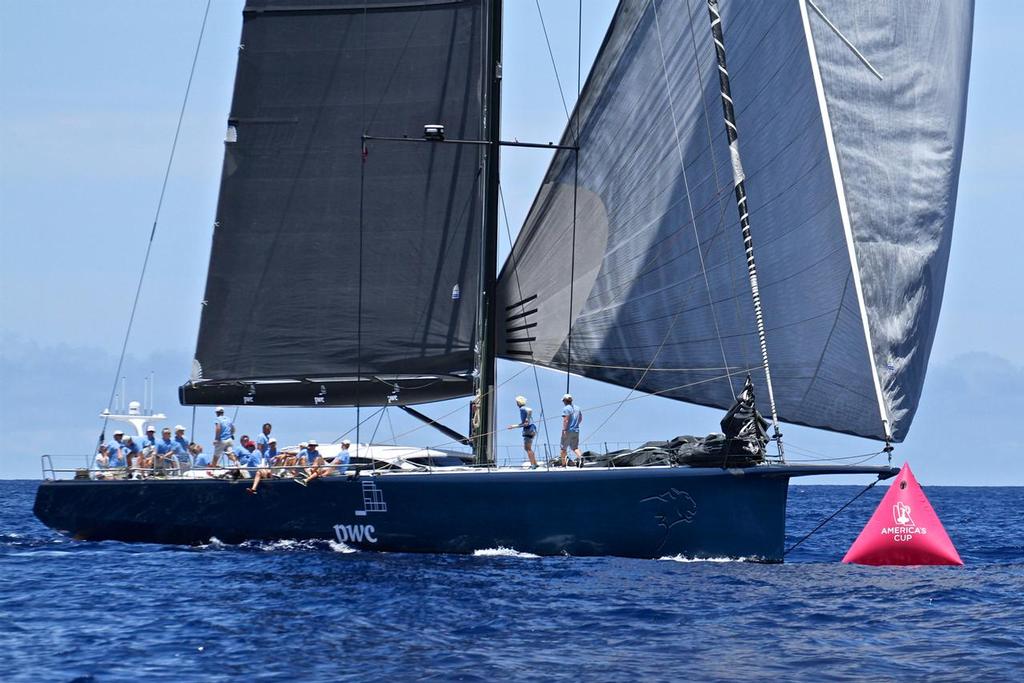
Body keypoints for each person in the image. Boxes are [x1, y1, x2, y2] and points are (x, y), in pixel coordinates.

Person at [509, 395, 538, 469]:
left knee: (527, 448)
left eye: (516, 402)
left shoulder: (522, 409)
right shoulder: (523, 409)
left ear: (518, 402)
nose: (516, 404)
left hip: (528, 429)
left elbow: (529, 410)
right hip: (532, 429)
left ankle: (533, 465)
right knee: (529, 448)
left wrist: (527, 419)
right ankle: (535, 463)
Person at [560, 393, 583, 467]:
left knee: (563, 448)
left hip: (568, 430)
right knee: (575, 448)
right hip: (576, 430)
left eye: (563, 401)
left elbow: (565, 420)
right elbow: (580, 419)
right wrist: (576, 424)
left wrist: (564, 430)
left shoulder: (566, 408)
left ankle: (563, 464)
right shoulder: (577, 408)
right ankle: (581, 457)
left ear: (565, 401)